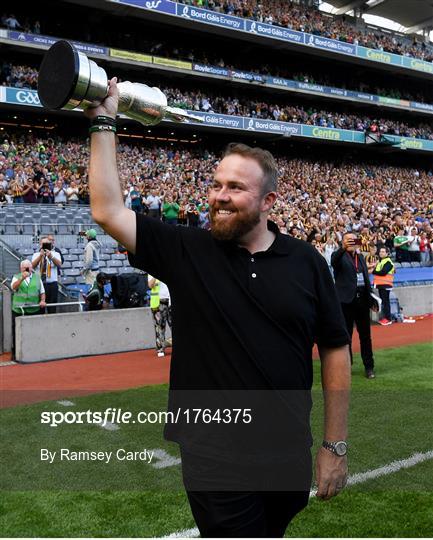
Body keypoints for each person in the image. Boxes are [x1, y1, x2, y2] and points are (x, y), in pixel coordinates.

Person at [84, 78, 351, 538]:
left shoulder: (306, 262)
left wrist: (335, 444)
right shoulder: (188, 249)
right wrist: (104, 122)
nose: (219, 195)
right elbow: (108, 210)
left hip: (288, 452)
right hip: (214, 456)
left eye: (235, 187)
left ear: (269, 201)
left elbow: (334, 350)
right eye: (215, 184)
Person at [331, 232, 377, 379]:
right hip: (346, 302)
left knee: (365, 336)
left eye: (353, 240)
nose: (351, 242)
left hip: (362, 301)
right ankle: (346, 366)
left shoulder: (361, 257)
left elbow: (365, 278)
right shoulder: (338, 256)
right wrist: (343, 248)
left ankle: (369, 367)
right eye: (348, 240)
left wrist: (371, 298)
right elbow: (334, 262)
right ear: (343, 242)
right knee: (346, 336)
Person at [11, 260, 46, 360]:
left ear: (31, 268)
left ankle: (33, 352)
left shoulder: (37, 278)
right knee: (16, 333)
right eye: (24, 268)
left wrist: (43, 300)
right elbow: (13, 287)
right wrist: (22, 278)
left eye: (28, 267)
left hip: (33, 310)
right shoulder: (16, 277)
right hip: (18, 310)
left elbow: (42, 292)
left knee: (34, 332)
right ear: (21, 268)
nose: (26, 269)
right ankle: (15, 354)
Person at [31, 236, 62, 314]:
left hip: (52, 284)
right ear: (40, 245)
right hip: (39, 284)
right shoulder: (36, 254)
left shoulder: (56, 254)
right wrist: (40, 256)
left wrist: (50, 256)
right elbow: (32, 266)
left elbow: (59, 264)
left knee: (52, 308)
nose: (45, 246)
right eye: (43, 244)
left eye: (47, 244)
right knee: (40, 309)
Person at [148, 274, 172, 357]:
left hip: (170, 302)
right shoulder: (151, 272)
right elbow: (150, 285)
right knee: (159, 327)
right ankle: (160, 349)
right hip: (158, 303)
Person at [372, 247, 395, 326]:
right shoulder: (381, 262)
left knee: (386, 302)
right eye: (380, 251)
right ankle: (385, 318)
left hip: (386, 284)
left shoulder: (388, 262)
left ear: (387, 253)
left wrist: (373, 271)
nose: (381, 253)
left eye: (383, 252)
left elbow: (383, 272)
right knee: (383, 302)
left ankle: (388, 319)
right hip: (381, 285)